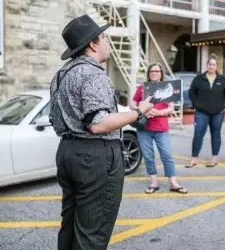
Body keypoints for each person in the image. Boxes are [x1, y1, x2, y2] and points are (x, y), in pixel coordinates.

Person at [50, 15, 153, 250]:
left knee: (71, 223)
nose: (107, 41)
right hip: (95, 156)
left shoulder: (61, 75)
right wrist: (140, 112)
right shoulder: (92, 73)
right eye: (104, 37)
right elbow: (98, 123)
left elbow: (57, 120)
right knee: (92, 234)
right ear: (93, 44)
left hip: (67, 151)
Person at [131, 62, 188, 194]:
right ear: (148, 74)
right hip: (144, 128)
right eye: (152, 71)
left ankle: (173, 182)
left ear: (161, 74)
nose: (155, 73)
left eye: (157, 71)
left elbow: (171, 108)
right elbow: (132, 104)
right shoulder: (142, 88)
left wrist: (158, 113)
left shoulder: (166, 88)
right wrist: (141, 110)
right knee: (148, 156)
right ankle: (153, 182)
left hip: (161, 128)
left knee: (167, 155)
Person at [186, 58, 225, 168]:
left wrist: (224, 105)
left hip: (218, 112)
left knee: (216, 134)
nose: (211, 66)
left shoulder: (222, 79)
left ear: (216, 66)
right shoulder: (199, 79)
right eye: (210, 64)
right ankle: (194, 158)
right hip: (201, 112)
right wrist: (196, 105)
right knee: (198, 134)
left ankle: (214, 158)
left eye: (214, 64)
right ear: (207, 65)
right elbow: (191, 92)